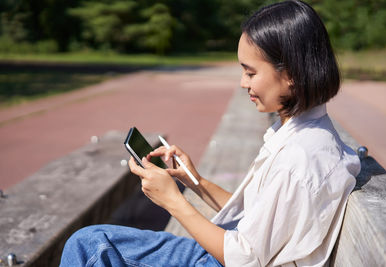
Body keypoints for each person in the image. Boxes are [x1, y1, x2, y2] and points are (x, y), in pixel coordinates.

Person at [59, 1, 361, 266]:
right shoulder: (301, 134)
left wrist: (173, 202)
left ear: (292, 74)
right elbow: (257, 217)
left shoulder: (300, 157)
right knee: (92, 241)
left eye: (251, 72)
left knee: (91, 246)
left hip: (226, 258)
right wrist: (195, 181)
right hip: (229, 248)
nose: (243, 83)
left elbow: (245, 258)